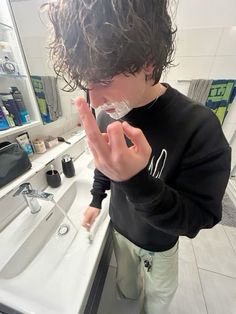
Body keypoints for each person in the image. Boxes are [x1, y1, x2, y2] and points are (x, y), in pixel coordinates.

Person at [46, 1, 231, 313]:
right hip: (119, 231)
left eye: (103, 80)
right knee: (127, 291)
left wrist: (136, 182)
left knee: (158, 302)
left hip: (160, 245)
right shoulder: (106, 116)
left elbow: (201, 216)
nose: (94, 99)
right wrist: (95, 200)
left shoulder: (198, 126)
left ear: (147, 63)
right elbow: (106, 167)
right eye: (85, 83)